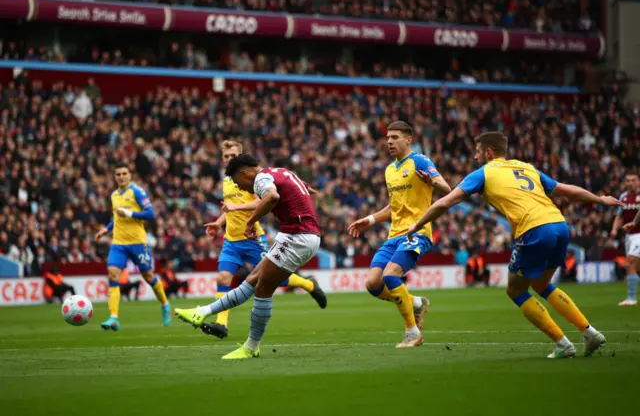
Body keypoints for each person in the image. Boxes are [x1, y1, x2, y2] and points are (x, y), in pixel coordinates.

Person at [406, 131, 620, 358]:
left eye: (478, 151)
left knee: (515, 289)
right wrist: (599, 199)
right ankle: (589, 332)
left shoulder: (483, 173)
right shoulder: (526, 167)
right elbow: (566, 190)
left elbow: (447, 202)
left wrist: (419, 223)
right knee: (541, 284)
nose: (475, 156)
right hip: (559, 225)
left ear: (489, 152)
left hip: (534, 229)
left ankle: (562, 343)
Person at [175, 154, 322, 359]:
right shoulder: (281, 171)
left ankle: (251, 347)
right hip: (301, 235)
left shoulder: (261, 178)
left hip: (297, 237)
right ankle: (201, 312)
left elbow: (272, 197)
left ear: (244, 173)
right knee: (253, 279)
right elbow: (312, 193)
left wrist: (251, 221)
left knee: (262, 288)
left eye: (238, 182)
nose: (242, 188)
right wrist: (309, 220)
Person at [347, 121, 452, 348]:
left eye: (394, 137)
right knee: (373, 283)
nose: (389, 142)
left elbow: (447, 190)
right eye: (387, 138)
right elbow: (393, 207)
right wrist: (371, 219)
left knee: (390, 276)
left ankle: (412, 333)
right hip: (393, 235)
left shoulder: (420, 161)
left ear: (408, 139)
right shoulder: (390, 170)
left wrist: (431, 181)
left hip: (417, 232)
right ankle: (415, 302)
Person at [94, 162, 170, 331]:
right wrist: (105, 229)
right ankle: (114, 317)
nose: (121, 177)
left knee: (149, 277)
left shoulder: (136, 192)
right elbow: (117, 218)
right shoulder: (114, 195)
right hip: (119, 243)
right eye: (118, 174)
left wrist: (129, 213)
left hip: (138, 243)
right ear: (115, 177)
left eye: (124, 173)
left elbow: (150, 214)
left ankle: (165, 305)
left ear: (129, 175)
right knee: (113, 276)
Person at [611, 173, 640, 306]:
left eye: (633, 180)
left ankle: (632, 298)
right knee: (635, 267)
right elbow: (619, 216)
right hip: (629, 236)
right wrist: (614, 229)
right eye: (627, 180)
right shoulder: (623, 196)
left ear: (638, 182)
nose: (630, 183)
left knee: (629, 263)